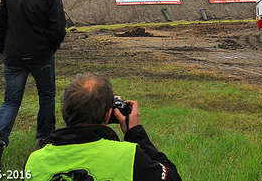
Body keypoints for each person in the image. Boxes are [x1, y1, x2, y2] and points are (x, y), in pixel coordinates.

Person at [0, 0, 66, 171]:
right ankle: (44, 138)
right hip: (41, 57)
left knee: (10, 101)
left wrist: (3, 50)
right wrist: (51, 48)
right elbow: (58, 29)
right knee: (46, 96)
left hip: (13, 58)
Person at [24, 72, 182, 181]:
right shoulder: (129, 156)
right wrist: (135, 133)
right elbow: (172, 177)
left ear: (65, 111)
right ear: (109, 115)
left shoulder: (33, 162)